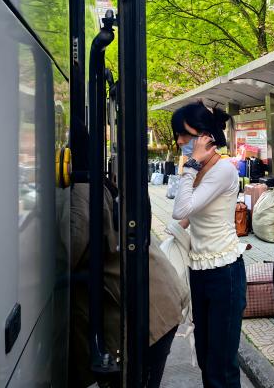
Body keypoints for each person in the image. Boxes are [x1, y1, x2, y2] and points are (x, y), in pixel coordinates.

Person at [69, 124, 184, 388]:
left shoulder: (82, 193)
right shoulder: (95, 184)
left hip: (152, 309)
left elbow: (66, 256)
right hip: (156, 296)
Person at [170, 102, 246, 388]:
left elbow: (181, 208)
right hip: (200, 269)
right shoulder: (201, 168)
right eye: (178, 135)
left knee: (221, 364)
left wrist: (189, 165)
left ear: (204, 137)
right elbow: (186, 214)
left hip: (224, 272)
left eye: (184, 135)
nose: (179, 141)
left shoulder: (223, 170)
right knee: (204, 354)